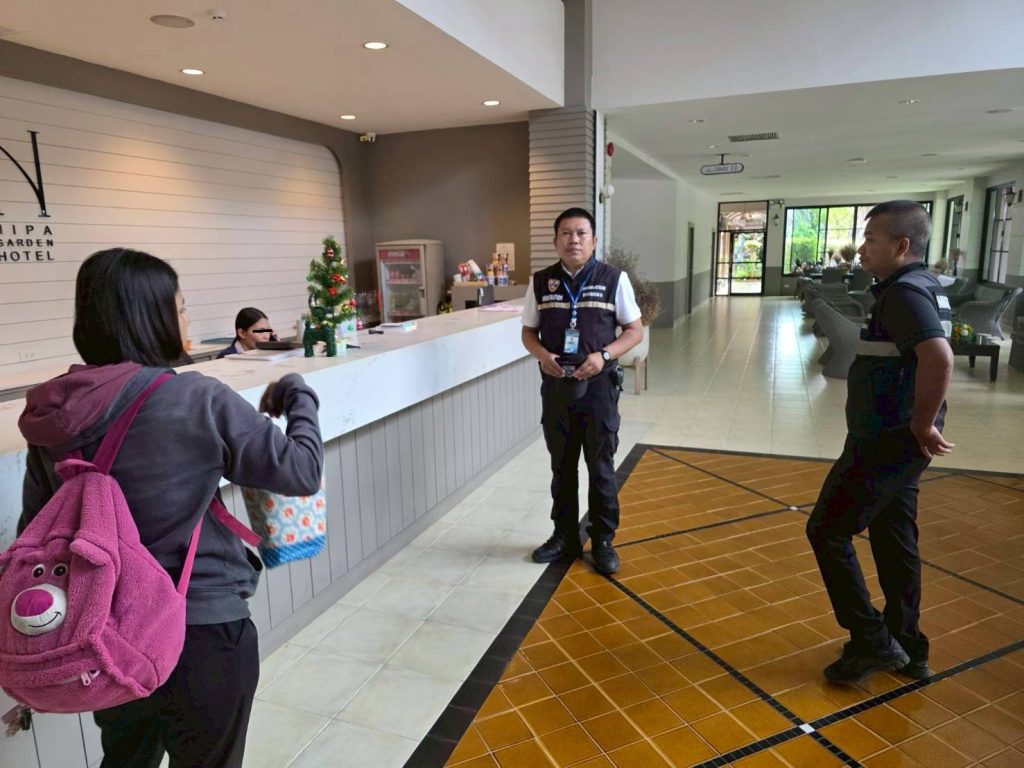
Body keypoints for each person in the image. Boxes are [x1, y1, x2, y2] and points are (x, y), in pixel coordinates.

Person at [18, 248, 323, 767]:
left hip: (105, 636)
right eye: (180, 308)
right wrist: (298, 395)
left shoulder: (53, 416)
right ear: (152, 317)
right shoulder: (198, 400)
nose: (186, 321)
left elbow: (36, 531)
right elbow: (301, 470)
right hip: (201, 626)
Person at [806, 201, 954, 684]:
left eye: (871, 239)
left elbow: (939, 358)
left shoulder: (904, 295)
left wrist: (922, 424)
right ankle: (908, 645)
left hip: (886, 442)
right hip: (897, 443)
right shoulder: (921, 285)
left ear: (902, 245)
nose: (862, 248)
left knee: (827, 530)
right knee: (894, 539)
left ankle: (871, 640)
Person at [521, 208, 643, 575]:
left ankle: (602, 540)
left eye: (580, 233)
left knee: (600, 467)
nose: (573, 240)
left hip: (598, 389)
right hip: (557, 388)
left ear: (593, 240)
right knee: (562, 466)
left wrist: (603, 355)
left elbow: (634, 330)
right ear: (555, 240)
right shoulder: (541, 282)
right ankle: (564, 536)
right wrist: (542, 355)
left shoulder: (613, 279)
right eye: (566, 233)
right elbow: (528, 332)